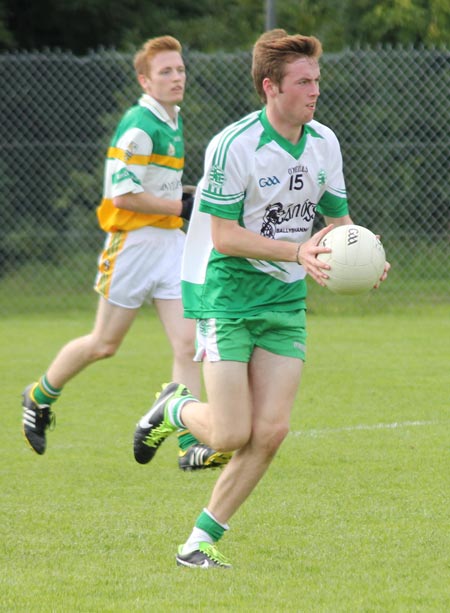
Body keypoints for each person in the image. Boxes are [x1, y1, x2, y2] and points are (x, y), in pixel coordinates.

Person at [133, 29, 390, 568]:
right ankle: (172, 408)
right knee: (231, 432)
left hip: (283, 300)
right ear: (271, 87)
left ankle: (198, 543)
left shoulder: (325, 142)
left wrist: (366, 255)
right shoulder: (236, 145)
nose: (315, 91)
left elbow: (339, 221)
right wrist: (299, 252)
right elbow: (224, 237)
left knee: (270, 431)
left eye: (317, 80)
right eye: (303, 82)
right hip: (226, 292)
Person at [21, 35, 231, 472]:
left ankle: (188, 440)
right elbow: (123, 196)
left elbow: (160, 188)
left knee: (189, 343)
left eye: (180, 70)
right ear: (145, 80)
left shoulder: (171, 119)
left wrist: (189, 197)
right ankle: (38, 396)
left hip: (170, 245)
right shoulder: (140, 125)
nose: (177, 78)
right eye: (166, 72)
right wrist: (179, 206)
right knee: (104, 344)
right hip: (132, 248)